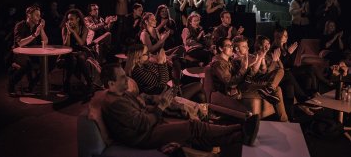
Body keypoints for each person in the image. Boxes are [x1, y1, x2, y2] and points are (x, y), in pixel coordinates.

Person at [100, 63, 260, 156]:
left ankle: (240, 136)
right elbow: (142, 123)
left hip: (149, 128)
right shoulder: (114, 103)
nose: (126, 80)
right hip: (144, 137)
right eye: (122, 78)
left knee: (196, 134)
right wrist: (160, 107)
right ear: (110, 84)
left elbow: (141, 108)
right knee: (193, 126)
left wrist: (156, 102)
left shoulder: (122, 95)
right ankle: (239, 126)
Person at [232, 36, 288, 122]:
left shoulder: (249, 56)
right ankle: (284, 121)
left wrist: (262, 57)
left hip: (255, 82)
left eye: (247, 45)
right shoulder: (235, 60)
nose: (247, 48)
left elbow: (263, 71)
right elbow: (252, 73)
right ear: (236, 48)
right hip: (246, 86)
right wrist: (261, 57)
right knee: (278, 88)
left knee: (280, 72)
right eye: (244, 46)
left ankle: (269, 89)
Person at [125, 44, 205, 103]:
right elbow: (162, 83)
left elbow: (160, 77)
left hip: (168, 92)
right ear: (137, 58)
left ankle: (203, 116)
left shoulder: (145, 64)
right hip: (165, 98)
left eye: (149, 52)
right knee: (199, 85)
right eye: (146, 54)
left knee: (200, 97)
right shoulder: (137, 71)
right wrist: (162, 63)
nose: (149, 55)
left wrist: (157, 62)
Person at [8, 5, 48, 96]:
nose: (39, 17)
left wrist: (41, 29)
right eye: (36, 15)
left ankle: (32, 83)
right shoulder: (20, 25)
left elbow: (45, 41)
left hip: (33, 54)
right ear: (29, 15)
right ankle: (11, 84)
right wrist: (34, 35)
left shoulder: (36, 26)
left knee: (50, 62)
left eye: (39, 15)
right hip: (18, 53)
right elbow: (20, 43)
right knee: (27, 64)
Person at [60, 9, 93, 96]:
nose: (69, 21)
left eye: (71, 19)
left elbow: (81, 43)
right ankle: (67, 82)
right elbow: (66, 46)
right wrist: (68, 33)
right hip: (69, 51)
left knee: (81, 58)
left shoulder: (84, 28)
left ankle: (89, 83)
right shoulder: (65, 28)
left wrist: (74, 32)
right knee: (73, 59)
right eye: (68, 19)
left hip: (82, 50)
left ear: (78, 19)